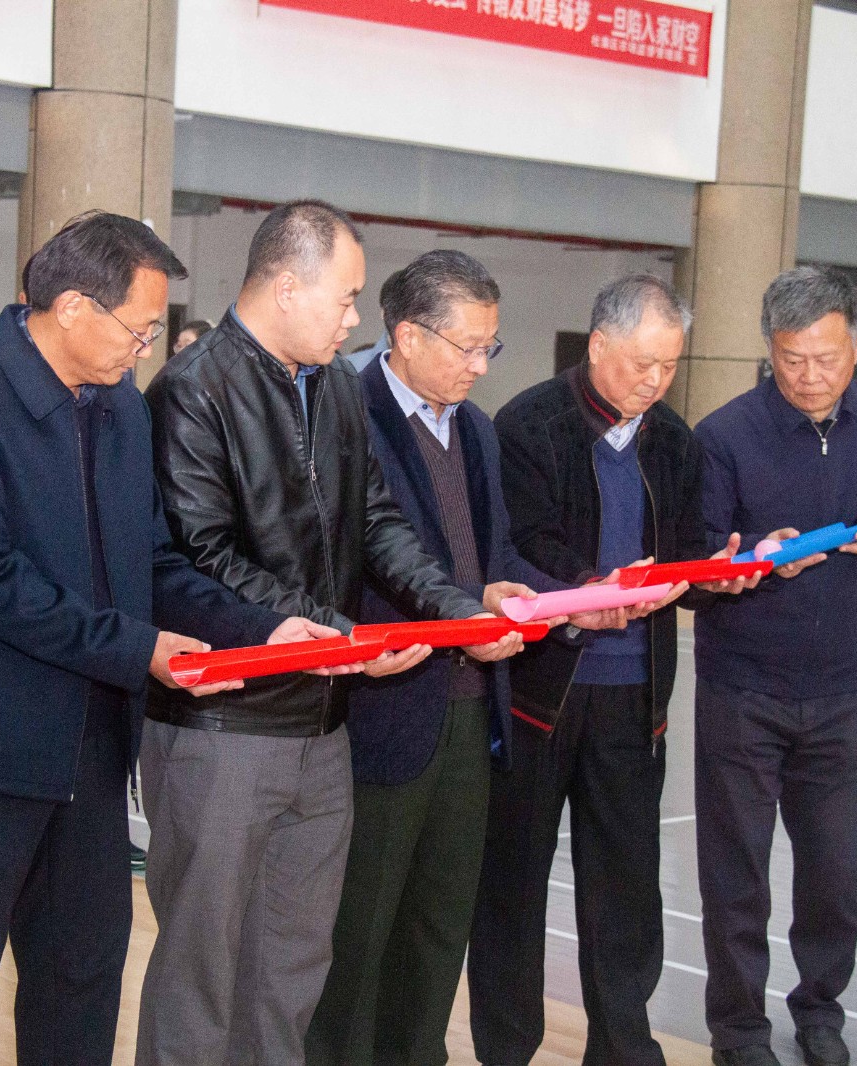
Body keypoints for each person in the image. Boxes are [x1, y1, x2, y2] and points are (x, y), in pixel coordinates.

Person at [0, 210, 331, 1066]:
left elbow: (152, 561)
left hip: (89, 751)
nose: (145, 347)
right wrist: (140, 652)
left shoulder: (120, 406)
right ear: (72, 308)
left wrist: (263, 628)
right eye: (139, 327)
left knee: (82, 985)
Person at [141, 201, 509, 1066]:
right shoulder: (193, 391)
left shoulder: (336, 385)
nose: (353, 320)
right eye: (344, 300)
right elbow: (202, 555)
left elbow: (377, 521)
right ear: (286, 286)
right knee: (203, 966)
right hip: (227, 723)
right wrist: (346, 636)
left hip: (322, 725)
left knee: (293, 963)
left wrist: (451, 608)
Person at [306, 251, 626, 1066]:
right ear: (408, 335)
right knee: (359, 931)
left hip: (472, 712)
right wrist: (450, 613)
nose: (481, 365)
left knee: (439, 925)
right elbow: (342, 565)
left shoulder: (476, 429)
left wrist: (569, 599)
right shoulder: (346, 415)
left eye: (491, 347)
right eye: (468, 346)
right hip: (383, 713)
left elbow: (494, 558)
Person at [469, 274, 753, 1066]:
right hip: (539, 697)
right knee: (512, 884)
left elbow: (685, 551)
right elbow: (516, 546)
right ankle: (507, 1049)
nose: (655, 381)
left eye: (669, 366)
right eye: (641, 363)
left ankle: (625, 1050)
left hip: (634, 701)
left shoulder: (675, 442)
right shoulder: (529, 425)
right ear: (598, 345)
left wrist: (721, 571)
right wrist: (588, 591)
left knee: (626, 890)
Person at [693, 266, 857, 1066]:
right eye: (791, 358)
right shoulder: (724, 435)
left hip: (842, 693)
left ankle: (820, 1009)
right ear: (769, 350)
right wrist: (750, 561)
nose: (808, 376)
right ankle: (738, 1031)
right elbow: (697, 563)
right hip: (742, 692)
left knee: (834, 873)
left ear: (856, 347)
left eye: (826, 359)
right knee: (737, 875)